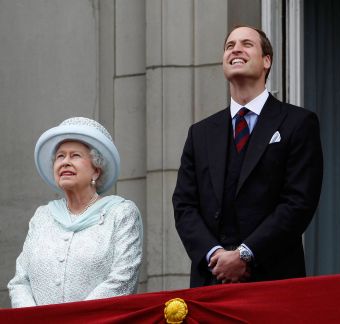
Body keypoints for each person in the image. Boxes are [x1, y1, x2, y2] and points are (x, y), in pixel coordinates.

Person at [172, 25, 323, 287]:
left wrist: (245, 254)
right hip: (211, 279)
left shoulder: (298, 123)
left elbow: (298, 202)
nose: (236, 49)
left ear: (267, 61)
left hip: (274, 278)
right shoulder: (200, 133)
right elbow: (185, 206)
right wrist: (215, 255)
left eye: (246, 44)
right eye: (230, 46)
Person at [8, 117, 143, 307]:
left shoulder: (121, 213)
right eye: (60, 157)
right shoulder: (42, 216)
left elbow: (122, 280)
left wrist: (76, 318)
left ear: (96, 170)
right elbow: (20, 282)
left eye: (75, 156)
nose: (65, 162)